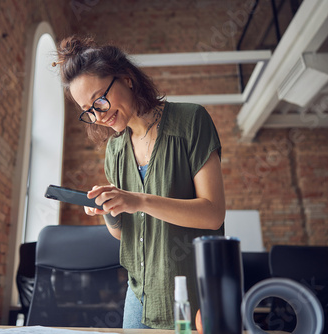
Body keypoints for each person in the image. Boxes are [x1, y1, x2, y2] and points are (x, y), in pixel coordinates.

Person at [53, 35, 225, 330]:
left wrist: (138, 200)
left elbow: (212, 214)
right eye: (89, 110)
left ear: (127, 79)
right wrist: (108, 208)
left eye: (100, 100)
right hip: (140, 293)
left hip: (193, 292)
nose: (99, 114)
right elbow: (124, 236)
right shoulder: (115, 150)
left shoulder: (191, 121)